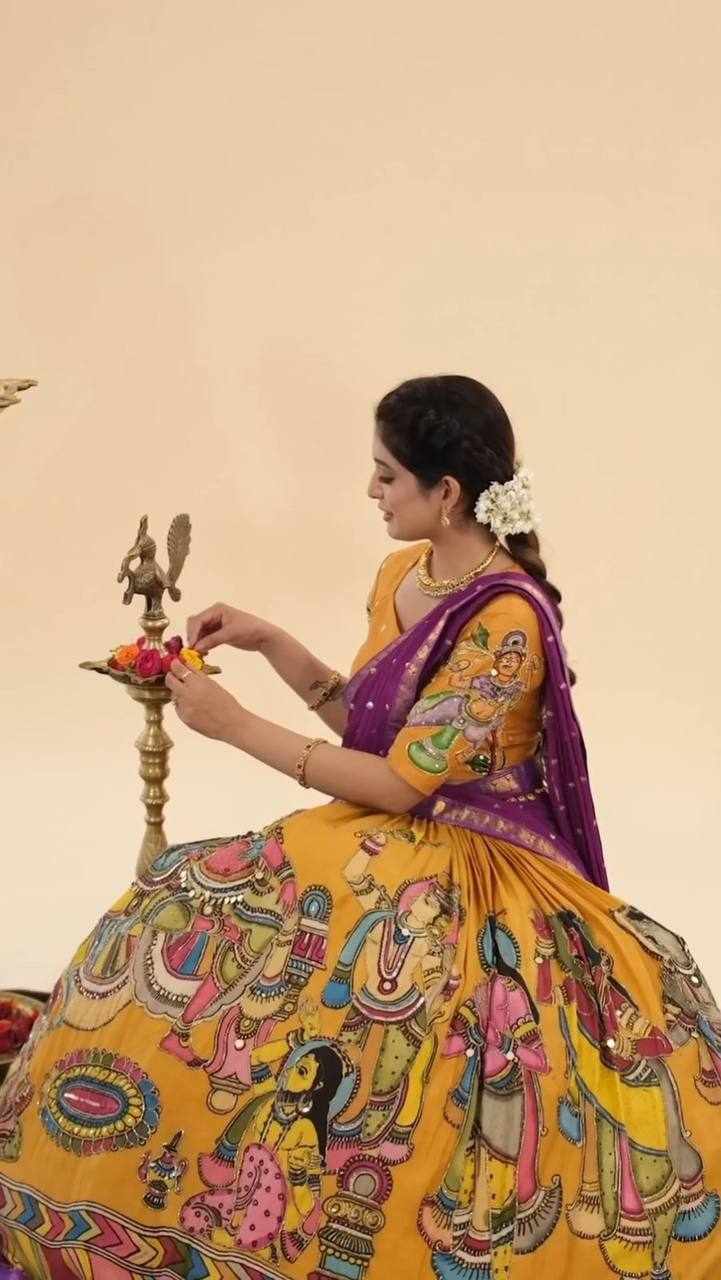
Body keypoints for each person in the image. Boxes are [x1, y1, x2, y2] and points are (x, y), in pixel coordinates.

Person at [0, 374, 719, 1280]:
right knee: (187, 893)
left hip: (475, 858)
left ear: (444, 492)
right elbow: (370, 731)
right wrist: (272, 644)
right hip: (379, 822)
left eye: (385, 476)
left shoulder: (505, 620)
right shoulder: (402, 575)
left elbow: (403, 783)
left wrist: (235, 726)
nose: (370, 491)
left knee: (396, 996)